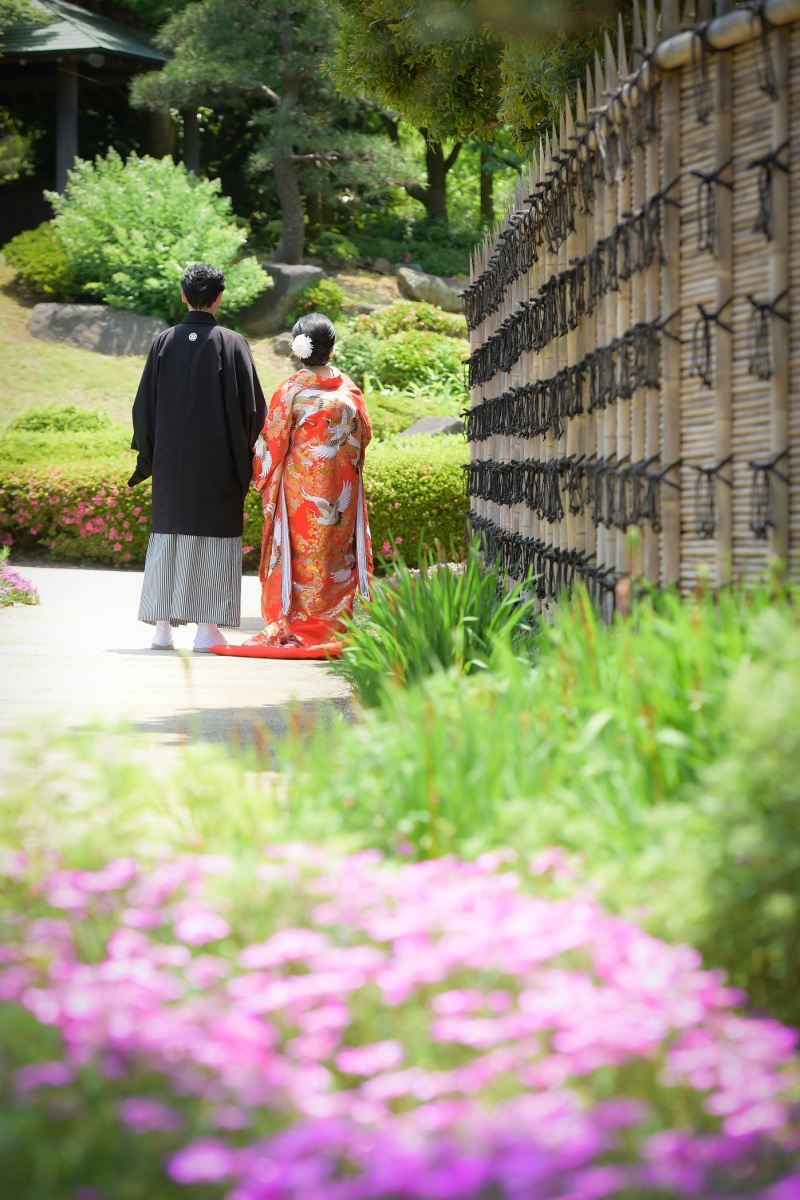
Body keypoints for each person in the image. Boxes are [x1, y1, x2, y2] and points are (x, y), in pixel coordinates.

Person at [213, 312, 372, 659]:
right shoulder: (350, 390)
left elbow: (272, 444)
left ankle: (301, 621)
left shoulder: (292, 391)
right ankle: (339, 621)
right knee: (337, 554)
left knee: (303, 554)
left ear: (299, 349)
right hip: (343, 488)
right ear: (332, 348)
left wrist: (253, 471)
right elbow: (365, 436)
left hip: (301, 493)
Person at [128, 262, 266, 651]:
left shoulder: (164, 342)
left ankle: (162, 629)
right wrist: (247, 459)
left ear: (183, 295)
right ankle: (207, 629)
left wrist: (150, 458)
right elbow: (253, 410)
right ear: (219, 298)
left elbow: (144, 407)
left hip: (171, 463)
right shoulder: (232, 343)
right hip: (218, 463)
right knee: (214, 542)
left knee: (168, 539)